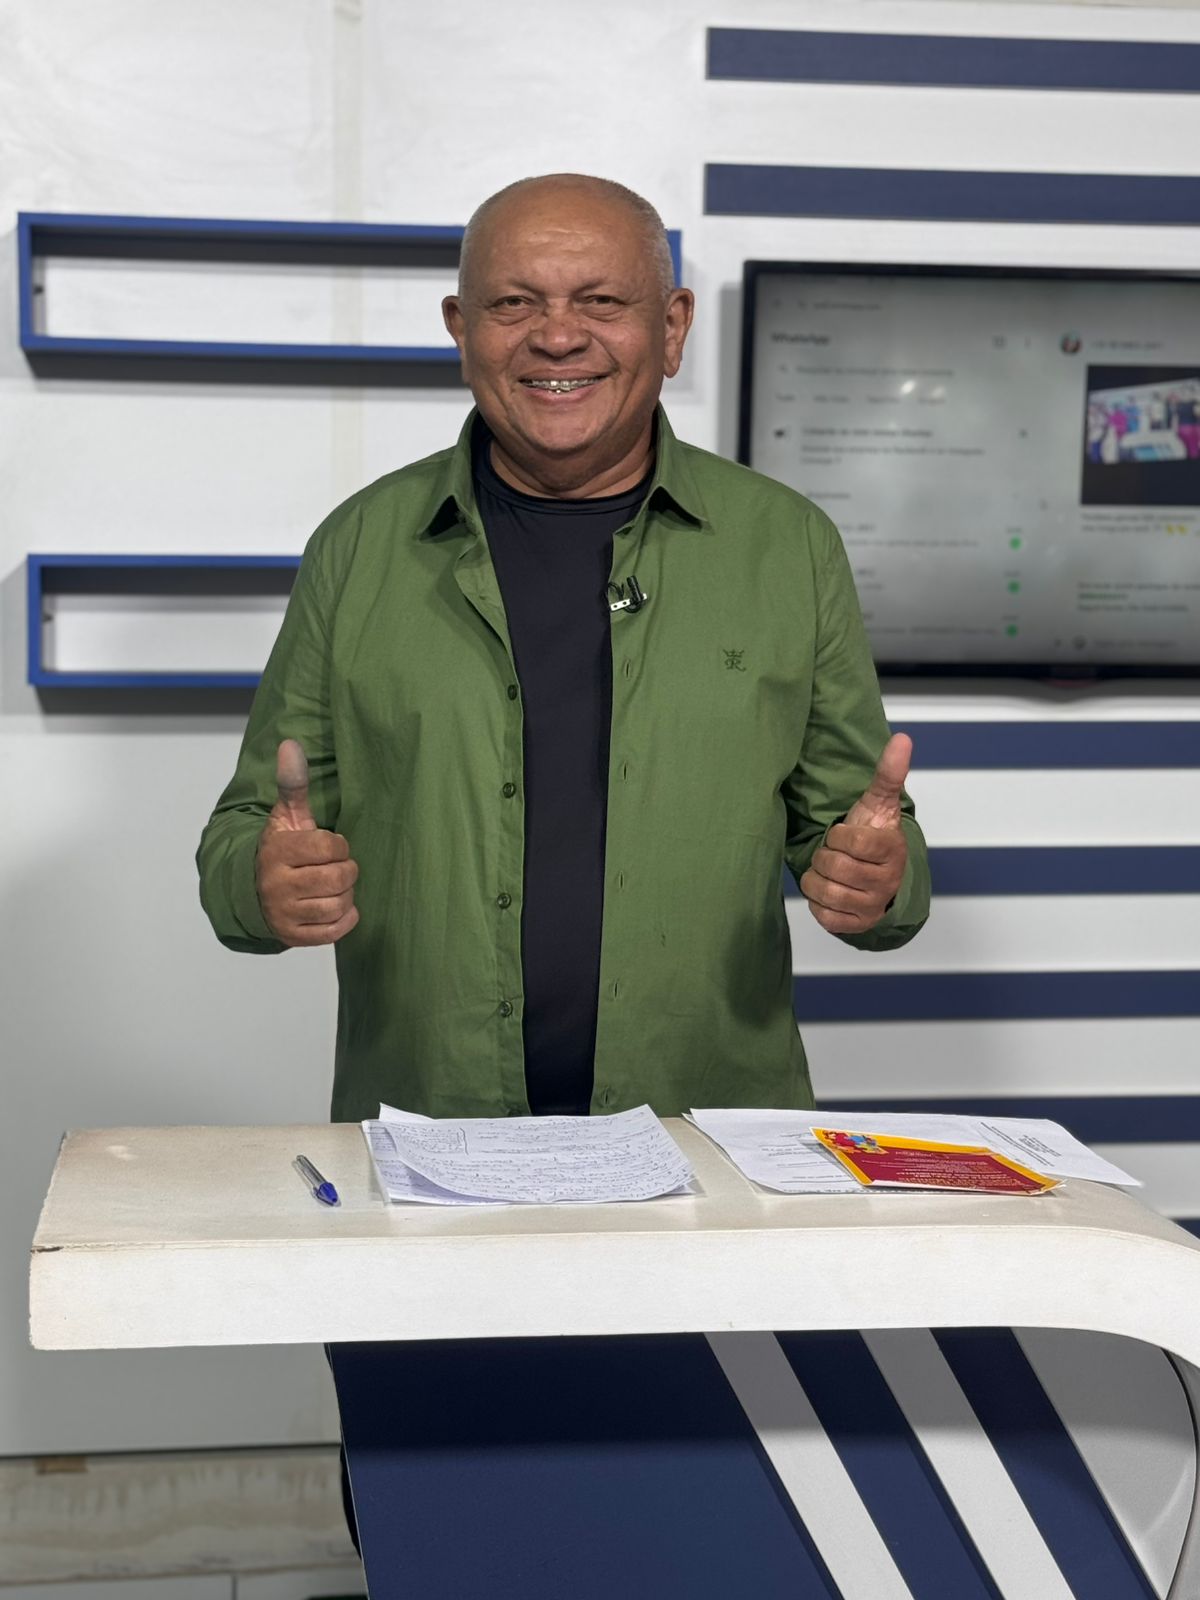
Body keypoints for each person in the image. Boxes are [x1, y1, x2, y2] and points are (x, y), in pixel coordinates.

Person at [197, 173, 930, 1127]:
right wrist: (261, 884)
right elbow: (249, 831)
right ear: (461, 329)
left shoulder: (788, 546)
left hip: (708, 1148)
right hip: (433, 1143)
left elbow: (867, 836)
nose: (556, 337)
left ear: (672, 328)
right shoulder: (360, 546)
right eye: (514, 304)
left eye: (601, 301)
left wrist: (878, 882)